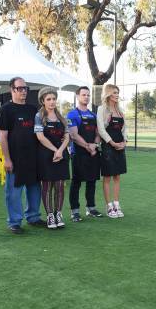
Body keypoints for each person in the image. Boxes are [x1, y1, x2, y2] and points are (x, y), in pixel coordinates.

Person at [0, 77, 44, 234]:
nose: (23, 91)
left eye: (25, 88)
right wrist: (7, 159)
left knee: (34, 189)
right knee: (14, 192)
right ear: (12, 90)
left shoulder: (33, 110)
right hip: (15, 159)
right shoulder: (5, 110)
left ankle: (33, 217)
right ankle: (15, 221)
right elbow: (3, 136)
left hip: (34, 158)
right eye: (20, 88)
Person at [34, 87, 70, 229]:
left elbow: (67, 136)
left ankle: (58, 213)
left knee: (60, 186)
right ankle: (50, 215)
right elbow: (40, 137)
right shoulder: (39, 116)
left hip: (61, 155)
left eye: (54, 99)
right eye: (48, 99)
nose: (52, 102)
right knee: (47, 186)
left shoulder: (62, 117)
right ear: (43, 101)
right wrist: (56, 150)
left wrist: (60, 151)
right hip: (45, 155)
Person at [66, 86, 103, 222]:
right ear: (77, 96)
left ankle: (91, 208)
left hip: (93, 153)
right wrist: (88, 146)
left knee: (92, 181)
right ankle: (75, 211)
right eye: (83, 95)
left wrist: (95, 145)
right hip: (79, 153)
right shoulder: (72, 115)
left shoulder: (94, 115)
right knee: (76, 183)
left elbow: (98, 134)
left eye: (88, 95)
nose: (86, 97)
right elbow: (74, 135)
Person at [97, 84, 127, 218]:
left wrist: (124, 142)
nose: (117, 95)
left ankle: (116, 204)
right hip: (108, 146)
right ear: (108, 94)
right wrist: (112, 143)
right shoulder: (102, 109)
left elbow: (124, 129)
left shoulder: (120, 110)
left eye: (118, 92)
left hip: (120, 145)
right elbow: (101, 129)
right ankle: (109, 206)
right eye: (114, 92)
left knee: (117, 176)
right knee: (108, 176)